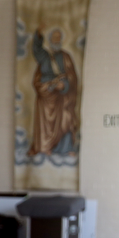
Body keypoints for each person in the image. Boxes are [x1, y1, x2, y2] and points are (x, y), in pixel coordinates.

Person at [29, 27, 79, 157]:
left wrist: (64, 86)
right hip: (47, 96)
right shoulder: (44, 57)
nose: (57, 40)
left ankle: (65, 148)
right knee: (45, 123)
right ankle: (45, 147)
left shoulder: (66, 57)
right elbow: (37, 52)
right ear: (50, 39)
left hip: (62, 98)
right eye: (54, 37)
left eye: (59, 38)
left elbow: (72, 77)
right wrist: (38, 35)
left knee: (66, 118)